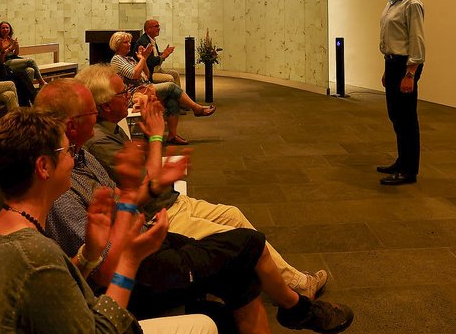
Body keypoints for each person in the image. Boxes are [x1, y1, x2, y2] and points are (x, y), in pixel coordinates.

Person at [38, 79, 349, 334]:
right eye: (119, 96)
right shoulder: (60, 180)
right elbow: (103, 265)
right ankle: (296, 310)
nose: (130, 96)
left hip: (145, 236)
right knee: (249, 244)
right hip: (136, 267)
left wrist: (145, 190)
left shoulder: (80, 156)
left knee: (239, 261)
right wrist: (148, 165)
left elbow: (126, 201)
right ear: (73, 124)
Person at [0, 109, 264, 334]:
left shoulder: (5, 227)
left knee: (207, 329)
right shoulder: (33, 256)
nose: (72, 159)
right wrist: (129, 261)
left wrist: (89, 253)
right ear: (43, 167)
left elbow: (58, 291)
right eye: (65, 152)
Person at [77, 64, 327, 299]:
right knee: (239, 238)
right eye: (124, 92)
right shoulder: (99, 141)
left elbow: (142, 171)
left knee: (233, 214)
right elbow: (150, 180)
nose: (129, 94)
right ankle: (296, 290)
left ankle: (291, 282)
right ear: (106, 105)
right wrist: (155, 135)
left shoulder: (111, 127)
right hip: (160, 214)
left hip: (169, 201)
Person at [109, 31, 212, 145]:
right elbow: (134, 75)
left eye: (129, 42)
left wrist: (143, 59)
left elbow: (146, 75)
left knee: (171, 98)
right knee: (171, 87)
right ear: (117, 45)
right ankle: (196, 108)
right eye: (125, 42)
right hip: (133, 94)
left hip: (145, 88)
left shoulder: (129, 59)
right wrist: (144, 58)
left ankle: (172, 136)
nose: (129, 44)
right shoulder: (117, 59)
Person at [377, 0, 425, 186]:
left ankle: (409, 171)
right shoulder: (392, 1)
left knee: (407, 120)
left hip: (405, 65)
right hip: (393, 64)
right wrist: (388, 70)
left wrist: (410, 74)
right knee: (396, 117)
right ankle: (402, 160)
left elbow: (416, 41)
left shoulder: (412, 4)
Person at [0, 21, 45, 86]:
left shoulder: (9, 39)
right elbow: (0, 57)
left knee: (31, 70)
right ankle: (42, 82)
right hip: (5, 63)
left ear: (10, 29)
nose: (5, 30)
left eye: (7, 28)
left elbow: (15, 54)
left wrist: (16, 46)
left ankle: (27, 91)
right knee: (31, 61)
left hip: (13, 60)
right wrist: (10, 48)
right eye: (3, 28)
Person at [135, 18, 181, 88]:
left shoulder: (151, 39)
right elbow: (150, 62)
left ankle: (178, 97)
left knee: (175, 74)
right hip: (149, 72)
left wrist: (164, 53)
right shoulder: (144, 42)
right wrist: (163, 56)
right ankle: (168, 97)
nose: (159, 28)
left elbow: (155, 55)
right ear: (148, 29)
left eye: (158, 26)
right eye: (156, 26)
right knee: (170, 78)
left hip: (156, 70)